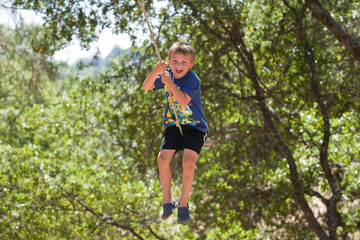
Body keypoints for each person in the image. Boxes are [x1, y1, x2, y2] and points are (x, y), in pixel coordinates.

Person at [143, 42, 209, 224]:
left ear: (191, 65)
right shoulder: (167, 75)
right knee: (162, 159)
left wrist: (169, 83)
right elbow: (146, 87)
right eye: (174, 61)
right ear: (169, 62)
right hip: (174, 124)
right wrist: (156, 71)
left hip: (194, 127)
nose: (178, 66)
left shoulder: (192, 80)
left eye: (183, 62)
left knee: (188, 161)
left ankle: (183, 203)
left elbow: (182, 101)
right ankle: (167, 202)